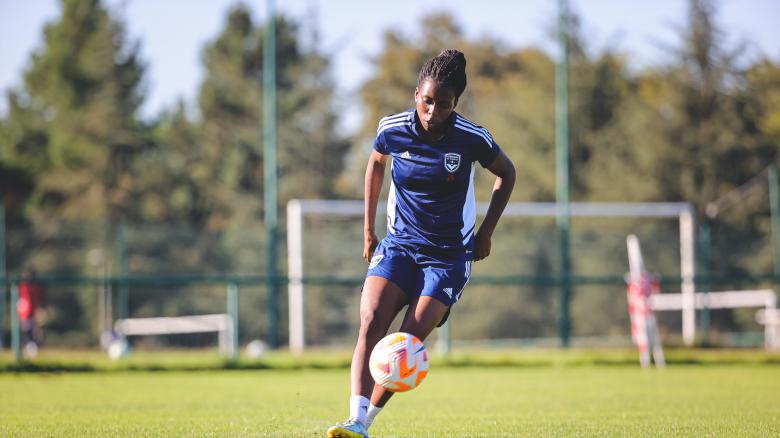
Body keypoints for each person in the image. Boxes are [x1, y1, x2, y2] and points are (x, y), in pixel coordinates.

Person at [327, 49, 516, 438]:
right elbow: (376, 163)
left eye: (443, 105)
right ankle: (355, 420)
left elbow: (507, 173)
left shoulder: (471, 137)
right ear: (417, 94)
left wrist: (486, 232)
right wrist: (368, 230)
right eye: (427, 101)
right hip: (399, 247)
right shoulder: (392, 128)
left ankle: (367, 421)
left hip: (448, 258)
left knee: (407, 342)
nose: (433, 111)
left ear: (455, 105)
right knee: (372, 320)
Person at [18, 268, 47, 356]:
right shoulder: (24, 286)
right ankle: (30, 351)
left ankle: (33, 351)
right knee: (28, 333)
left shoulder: (35, 286)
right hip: (26, 313)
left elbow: (39, 300)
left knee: (34, 333)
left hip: (33, 313)